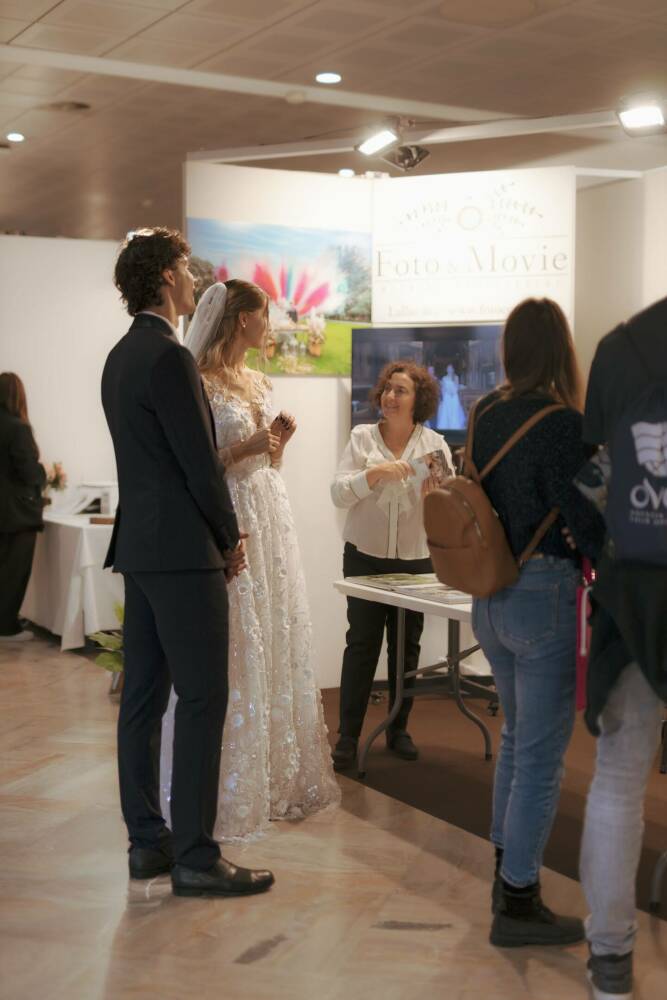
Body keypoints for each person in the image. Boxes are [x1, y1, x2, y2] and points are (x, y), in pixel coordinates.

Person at [102, 230, 273, 898]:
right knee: (202, 697)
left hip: (140, 549)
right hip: (181, 551)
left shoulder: (120, 356)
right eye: (184, 267)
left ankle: (148, 841)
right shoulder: (169, 357)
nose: (194, 278)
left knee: (143, 699)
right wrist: (228, 537)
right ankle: (197, 855)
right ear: (165, 278)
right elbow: (198, 464)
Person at [160, 280, 340, 841]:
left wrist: (277, 445)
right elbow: (195, 463)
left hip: (269, 511)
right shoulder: (199, 380)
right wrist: (248, 446)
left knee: (275, 632)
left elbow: (270, 462)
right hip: (230, 510)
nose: (271, 325)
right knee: (239, 638)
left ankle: (276, 773)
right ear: (242, 320)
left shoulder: (259, 380)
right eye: (265, 315)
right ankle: (231, 784)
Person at [469, 298, 605, 947]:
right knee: (540, 759)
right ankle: (518, 902)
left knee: (518, 742)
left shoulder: (484, 413)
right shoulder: (564, 425)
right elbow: (590, 524)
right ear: (561, 349)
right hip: (544, 596)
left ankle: (506, 875)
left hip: (490, 595)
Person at [578, 296, 667, 1000]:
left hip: (635, 595)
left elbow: (593, 478)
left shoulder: (621, 347)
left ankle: (610, 960)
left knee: (617, 781)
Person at [331, 360, 454, 770]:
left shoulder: (434, 445)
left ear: (419, 399)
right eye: (387, 388)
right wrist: (374, 474)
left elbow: (450, 507)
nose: (390, 396)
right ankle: (347, 737)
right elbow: (338, 494)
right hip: (364, 556)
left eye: (400, 390)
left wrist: (437, 497)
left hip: (416, 562)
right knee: (361, 646)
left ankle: (399, 729)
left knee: (406, 648)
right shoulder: (362, 438)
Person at [0, 372, 45, 642]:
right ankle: (6, 625)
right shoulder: (18, 428)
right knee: (14, 572)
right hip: (17, 513)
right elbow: (28, 471)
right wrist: (43, 473)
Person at [436, 363, 466, 430]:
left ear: (453, 369)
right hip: (447, 396)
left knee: (454, 410)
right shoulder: (444, 378)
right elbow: (443, 389)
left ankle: (455, 425)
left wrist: (453, 392)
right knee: (447, 410)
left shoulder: (456, 377)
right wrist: (444, 396)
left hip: (454, 396)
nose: (449, 370)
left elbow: (456, 387)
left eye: (450, 368)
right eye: (448, 368)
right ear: (447, 370)